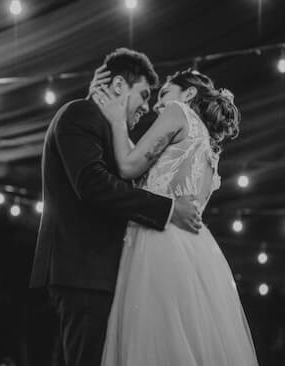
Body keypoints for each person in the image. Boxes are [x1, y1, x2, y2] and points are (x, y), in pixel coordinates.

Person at [29, 48, 203, 366]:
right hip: (84, 272)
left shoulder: (104, 128)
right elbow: (94, 185)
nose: (148, 107)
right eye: (144, 95)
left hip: (100, 273)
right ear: (120, 86)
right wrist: (167, 209)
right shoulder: (79, 114)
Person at [90, 67, 259, 365]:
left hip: (159, 243)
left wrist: (117, 121)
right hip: (196, 254)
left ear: (188, 94)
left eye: (164, 93)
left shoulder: (178, 112)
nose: (156, 104)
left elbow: (129, 167)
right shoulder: (208, 145)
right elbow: (150, 173)